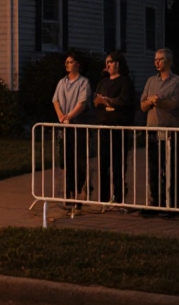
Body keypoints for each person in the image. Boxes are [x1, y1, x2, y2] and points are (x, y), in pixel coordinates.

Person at [140, 48, 179, 212]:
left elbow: (176, 104)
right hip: (153, 130)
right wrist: (151, 102)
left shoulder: (177, 81)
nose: (157, 62)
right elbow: (143, 105)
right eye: (155, 60)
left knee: (171, 169)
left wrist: (159, 101)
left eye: (160, 59)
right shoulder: (151, 81)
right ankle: (155, 203)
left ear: (169, 62)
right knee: (154, 168)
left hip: (170, 130)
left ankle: (173, 205)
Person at [93, 51, 134, 204]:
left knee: (118, 164)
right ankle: (103, 198)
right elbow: (96, 100)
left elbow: (123, 101)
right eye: (107, 62)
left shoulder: (125, 82)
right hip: (104, 127)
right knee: (103, 163)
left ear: (118, 63)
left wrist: (108, 102)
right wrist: (104, 102)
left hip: (119, 128)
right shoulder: (103, 82)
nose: (108, 64)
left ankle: (118, 198)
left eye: (111, 61)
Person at [52, 53, 92, 203]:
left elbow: (82, 103)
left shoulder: (84, 82)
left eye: (71, 62)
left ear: (77, 64)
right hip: (65, 128)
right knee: (66, 159)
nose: (68, 64)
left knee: (79, 159)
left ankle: (80, 188)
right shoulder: (61, 83)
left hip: (78, 126)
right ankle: (68, 191)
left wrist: (70, 116)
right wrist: (61, 116)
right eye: (66, 62)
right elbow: (55, 100)